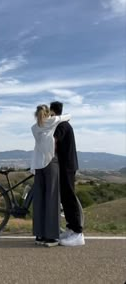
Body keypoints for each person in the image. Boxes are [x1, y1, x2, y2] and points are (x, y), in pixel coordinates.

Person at [31, 104, 71, 247]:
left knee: (40, 199)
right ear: (50, 113)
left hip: (38, 164)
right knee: (52, 198)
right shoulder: (52, 121)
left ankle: (39, 235)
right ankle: (51, 237)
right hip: (51, 162)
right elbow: (68, 116)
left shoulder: (34, 128)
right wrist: (55, 116)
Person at [50, 101, 85, 247]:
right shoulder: (64, 125)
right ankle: (70, 229)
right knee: (65, 198)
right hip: (66, 166)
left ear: (53, 112)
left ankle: (78, 233)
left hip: (67, 167)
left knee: (69, 198)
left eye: (50, 113)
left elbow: (53, 142)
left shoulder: (62, 125)